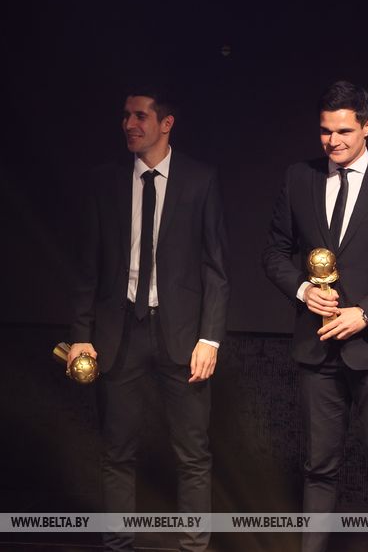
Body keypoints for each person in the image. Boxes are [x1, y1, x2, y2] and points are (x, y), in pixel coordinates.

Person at [262, 80, 368, 552]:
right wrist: (303, 291)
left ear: (367, 126)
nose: (332, 141)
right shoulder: (299, 177)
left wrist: (366, 312)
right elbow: (275, 252)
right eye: (325, 131)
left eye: (343, 131)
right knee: (318, 468)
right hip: (315, 349)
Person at [68, 87, 229, 552]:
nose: (129, 124)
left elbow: (216, 269)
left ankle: (193, 546)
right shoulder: (105, 180)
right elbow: (88, 267)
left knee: (193, 454)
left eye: (140, 116)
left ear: (166, 123)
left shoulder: (200, 180)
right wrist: (81, 335)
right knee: (117, 451)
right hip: (119, 332)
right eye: (126, 116)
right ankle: (117, 543)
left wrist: (210, 339)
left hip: (181, 335)